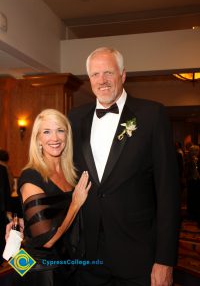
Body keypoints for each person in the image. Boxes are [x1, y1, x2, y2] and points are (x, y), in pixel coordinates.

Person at [68, 47, 180, 286]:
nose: (102, 80)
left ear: (123, 75)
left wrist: (165, 259)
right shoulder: (74, 119)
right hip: (87, 258)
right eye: (96, 74)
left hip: (138, 256)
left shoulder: (152, 115)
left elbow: (168, 192)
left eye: (109, 72)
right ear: (89, 80)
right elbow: (63, 177)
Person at [11, 109, 91, 286]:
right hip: (38, 269)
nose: (54, 138)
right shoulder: (31, 176)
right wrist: (75, 204)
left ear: (67, 136)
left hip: (67, 265)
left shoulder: (71, 173)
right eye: (47, 131)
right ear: (38, 139)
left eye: (60, 130)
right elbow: (47, 241)